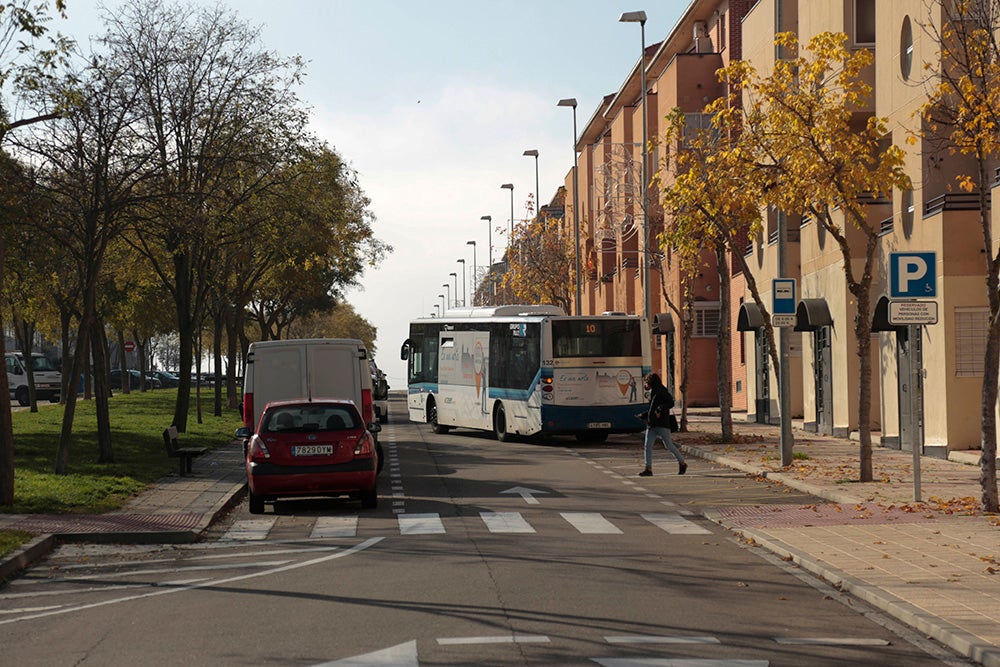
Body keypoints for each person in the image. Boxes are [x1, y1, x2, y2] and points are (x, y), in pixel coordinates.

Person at [635, 372, 686, 476]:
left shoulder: (662, 390)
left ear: (651, 382)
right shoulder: (653, 391)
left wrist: (660, 409)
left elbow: (670, 403)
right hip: (652, 424)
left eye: (647, 382)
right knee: (647, 446)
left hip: (662, 423)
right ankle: (648, 469)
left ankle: (682, 463)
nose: (646, 385)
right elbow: (652, 408)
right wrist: (644, 415)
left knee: (669, 445)